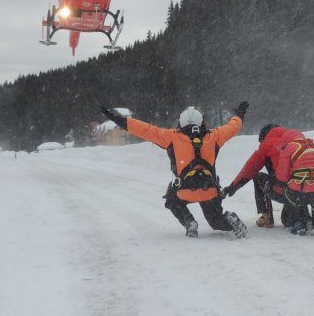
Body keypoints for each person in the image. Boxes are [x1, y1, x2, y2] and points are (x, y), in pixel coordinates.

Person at [100, 102, 250, 239]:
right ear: (202, 121)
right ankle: (229, 220)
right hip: (209, 190)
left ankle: (189, 222)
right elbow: (233, 127)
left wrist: (116, 119)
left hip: (184, 190)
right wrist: (239, 115)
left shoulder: (171, 137)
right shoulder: (215, 136)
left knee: (171, 200)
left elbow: (144, 129)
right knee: (216, 221)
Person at [221, 124, 302, 228]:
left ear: (264, 136)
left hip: (285, 189)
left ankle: (266, 216)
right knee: (288, 219)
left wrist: (233, 187)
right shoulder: (298, 139)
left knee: (257, 176)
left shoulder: (267, 144)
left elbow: (249, 170)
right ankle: (306, 215)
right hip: (308, 190)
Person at [275, 128, 314, 238]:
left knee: (291, 199)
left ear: (286, 141)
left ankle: (299, 223)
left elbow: (282, 178)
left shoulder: (289, 148)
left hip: (301, 191)